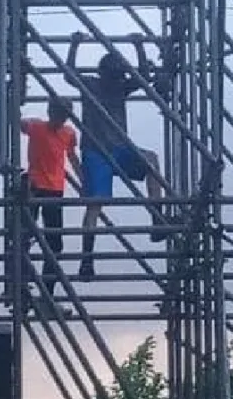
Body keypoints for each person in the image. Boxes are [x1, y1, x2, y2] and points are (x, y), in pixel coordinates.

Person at [66, 32, 169, 281]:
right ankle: (87, 259)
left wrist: (139, 47)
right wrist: (138, 46)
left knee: (151, 161)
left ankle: (156, 218)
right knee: (95, 204)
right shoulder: (94, 85)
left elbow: (143, 77)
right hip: (95, 152)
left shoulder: (115, 87)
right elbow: (68, 74)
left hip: (118, 149)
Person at [20, 96, 80, 315]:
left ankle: (47, 294)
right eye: (57, 114)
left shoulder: (69, 133)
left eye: (64, 116)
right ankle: (21, 285)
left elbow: (72, 157)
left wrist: (84, 183)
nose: (60, 119)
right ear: (50, 111)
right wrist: (14, 100)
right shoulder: (36, 126)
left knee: (54, 246)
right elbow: (17, 121)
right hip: (34, 187)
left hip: (55, 190)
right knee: (23, 237)